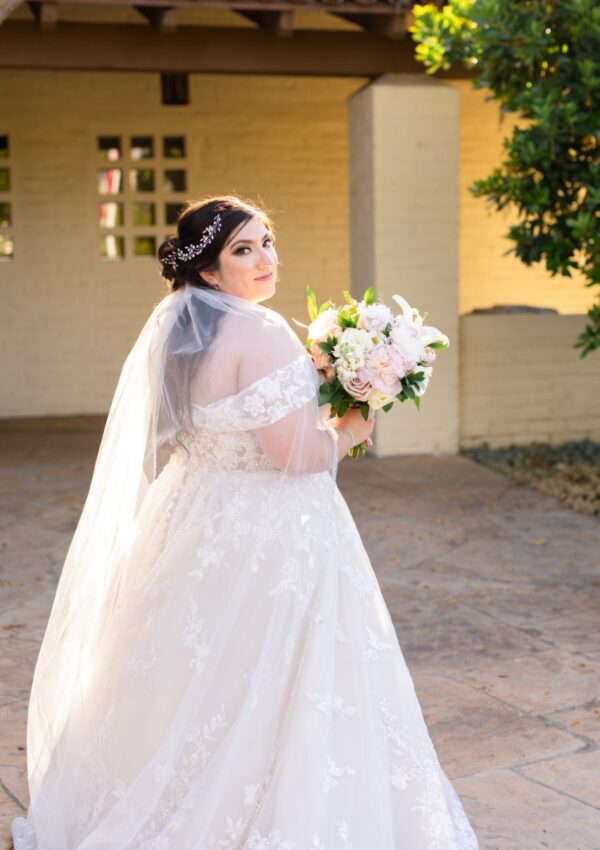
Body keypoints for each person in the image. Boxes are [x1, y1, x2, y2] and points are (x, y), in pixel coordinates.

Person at [11, 195, 479, 850]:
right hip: (271, 532)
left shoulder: (176, 336)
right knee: (281, 683)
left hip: (194, 517)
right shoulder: (261, 334)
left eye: (267, 242)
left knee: (189, 679)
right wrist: (354, 424)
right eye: (244, 249)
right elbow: (296, 456)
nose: (265, 259)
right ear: (207, 269)